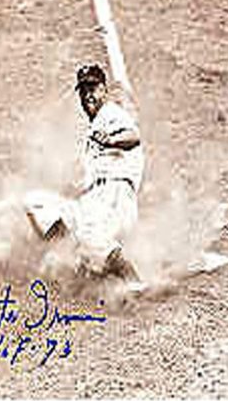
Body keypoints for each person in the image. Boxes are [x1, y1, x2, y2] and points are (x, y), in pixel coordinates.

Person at [25, 64, 144, 285]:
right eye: (83, 90)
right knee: (35, 203)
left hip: (115, 198)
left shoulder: (111, 114)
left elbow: (133, 136)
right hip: (95, 200)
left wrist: (112, 140)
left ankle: (133, 280)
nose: (88, 94)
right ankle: (74, 259)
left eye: (93, 88)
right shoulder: (94, 127)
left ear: (104, 90)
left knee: (90, 235)